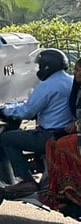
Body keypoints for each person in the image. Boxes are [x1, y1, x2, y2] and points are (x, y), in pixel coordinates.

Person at [0, 48, 74, 196]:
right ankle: (40, 169)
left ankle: (26, 180)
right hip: (67, 133)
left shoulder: (48, 85)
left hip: (50, 136)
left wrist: (3, 111)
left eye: (40, 66)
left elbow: (27, 111)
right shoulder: (71, 81)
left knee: (8, 138)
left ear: (47, 67)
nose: (38, 70)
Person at [39, 57, 81, 214]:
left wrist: (76, 125)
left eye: (79, 70)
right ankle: (59, 191)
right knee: (51, 143)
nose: (76, 73)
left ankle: (72, 191)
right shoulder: (76, 89)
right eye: (75, 69)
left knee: (62, 145)